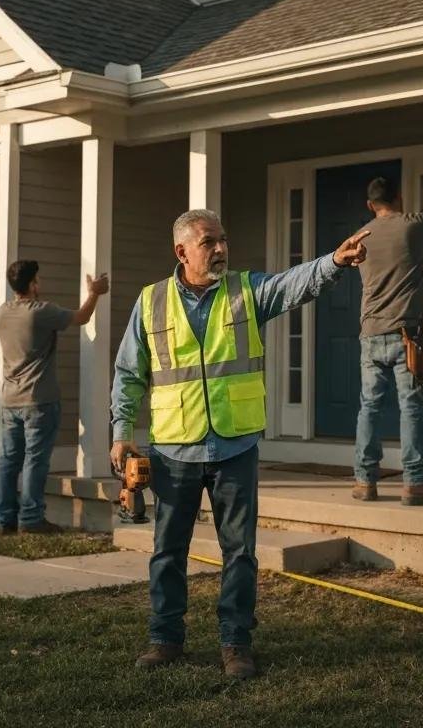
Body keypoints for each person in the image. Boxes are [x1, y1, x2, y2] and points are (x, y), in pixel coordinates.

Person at [110, 208, 369, 679]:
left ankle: (236, 644)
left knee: (241, 553)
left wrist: (333, 261)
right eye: (209, 241)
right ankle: (165, 639)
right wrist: (121, 432)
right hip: (173, 449)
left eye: (223, 239)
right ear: (181, 251)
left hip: (234, 448)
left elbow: (295, 284)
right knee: (168, 551)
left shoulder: (246, 291)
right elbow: (130, 373)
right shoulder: (150, 302)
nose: (221, 249)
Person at [352, 158, 423, 506]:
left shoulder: (360, 237)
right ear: (399, 199)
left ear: (371, 205)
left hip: (370, 334)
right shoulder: (413, 224)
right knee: (411, 407)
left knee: (368, 407)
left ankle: (364, 481)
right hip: (407, 336)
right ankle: (416, 482)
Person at [0, 259, 109, 534]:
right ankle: (31, 519)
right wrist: (95, 293)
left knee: (9, 460)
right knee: (35, 459)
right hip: (38, 399)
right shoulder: (40, 312)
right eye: (38, 279)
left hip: (10, 399)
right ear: (33, 283)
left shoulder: (1, 313)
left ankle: (4, 519)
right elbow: (81, 318)